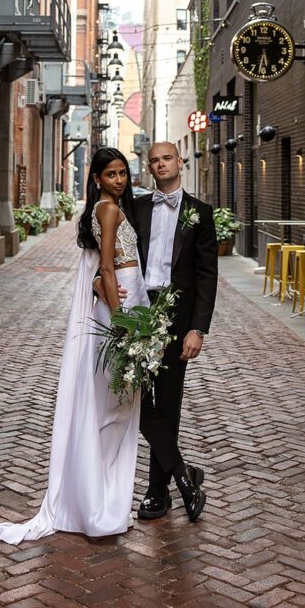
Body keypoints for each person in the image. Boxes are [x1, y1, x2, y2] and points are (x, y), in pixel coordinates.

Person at [0, 147, 149, 544]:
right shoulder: (108, 210)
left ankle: (102, 500)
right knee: (113, 407)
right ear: (96, 178)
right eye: (111, 174)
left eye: (123, 173)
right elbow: (109, 267)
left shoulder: (106, 207)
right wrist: (122, 322)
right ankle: (95, 504)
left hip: (126, 302)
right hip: (121, 310)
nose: (119, 180)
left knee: (117, 405)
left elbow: (100, 266)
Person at [95, 141, 218, 523]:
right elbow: (106, 251)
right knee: (142, 405)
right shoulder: (135, 207)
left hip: (177, 320)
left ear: (180, 161)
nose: (161, 164)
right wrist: (99, 283)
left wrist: (198, 328)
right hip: (138, 312)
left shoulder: (200, 213)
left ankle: (156, 492)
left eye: (167, 158)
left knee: (167, 403)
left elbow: (206, 276)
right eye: (154, 161)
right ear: (148, 168)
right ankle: (184, 476)